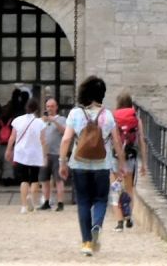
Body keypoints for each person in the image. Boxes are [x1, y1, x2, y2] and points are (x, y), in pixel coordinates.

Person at [59, 75, 125, 257]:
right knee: (101, 199)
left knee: (83, 202)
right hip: (102, 165)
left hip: (79, 164)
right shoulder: (108, 115)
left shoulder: (75, 113)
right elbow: (117, 141)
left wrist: (62, 162)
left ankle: (87, 243)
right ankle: (97, 225)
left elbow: (66, 139)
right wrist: (121, 163)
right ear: (101, 94)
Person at [5, 96, 47, 212]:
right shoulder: (40, 123)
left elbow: (12, 137)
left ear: (26, 107)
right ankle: (33, 202)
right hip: (35, 154)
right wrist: (44, 155)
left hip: (21, 153)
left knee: (24, 180)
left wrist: (8, 150)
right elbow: (43, 140)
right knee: (34, 179)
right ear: (37, 109)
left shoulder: (17, 120)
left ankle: (23, 206)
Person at [111, 92, 140, 229]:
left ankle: (119, 222)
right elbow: (142, 141)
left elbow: (115, 140)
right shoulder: (136, 118)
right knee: (129, 188)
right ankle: (128, 216)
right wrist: (144, 163)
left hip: (116, 157)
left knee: (115, 189)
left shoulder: (113, 118)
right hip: (130, 156)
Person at [40, 95, 66, 212]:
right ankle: (46, 201)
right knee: (44, 179)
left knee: (58, 179)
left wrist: (54, 121)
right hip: (45, 154)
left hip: (57, 153)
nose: (49, 108)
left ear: (56, 107)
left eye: (52, 106)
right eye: (47, 106)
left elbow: (64, 132)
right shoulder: (43, 121)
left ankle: (60, 203)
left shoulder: (62, 119)